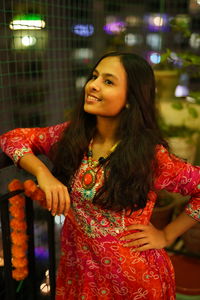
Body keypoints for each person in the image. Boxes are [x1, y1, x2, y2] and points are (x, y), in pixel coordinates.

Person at [0, 51, 199, 300]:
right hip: (80, 271)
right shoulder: (72, 137)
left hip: (132, 280)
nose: (92, 85)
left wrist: (167, 234)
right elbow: (12, 138)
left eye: (108, 81)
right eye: (94, 77)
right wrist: (42, 172)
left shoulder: (150, 156)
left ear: (130, 98)